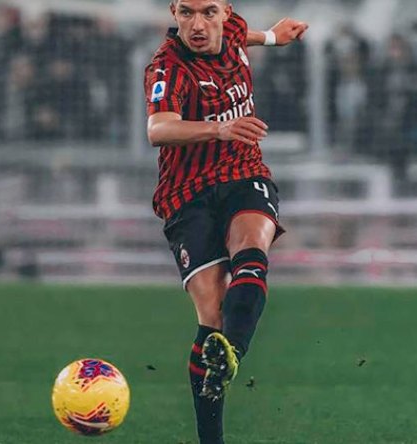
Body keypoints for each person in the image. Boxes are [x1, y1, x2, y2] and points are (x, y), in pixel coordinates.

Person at [143, 1, 307, 443]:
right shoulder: (167, 67)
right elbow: (158, 129)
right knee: (213, 315)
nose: (198, 24)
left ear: (226, 12)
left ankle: (230, 352)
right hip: (187, 194)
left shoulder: (231, 28)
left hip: (243, 173)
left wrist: (271, 37)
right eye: (187, 13)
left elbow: (238, 35)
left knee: (252, 250)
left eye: (209, 12)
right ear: (174, 11)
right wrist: (219, 128)